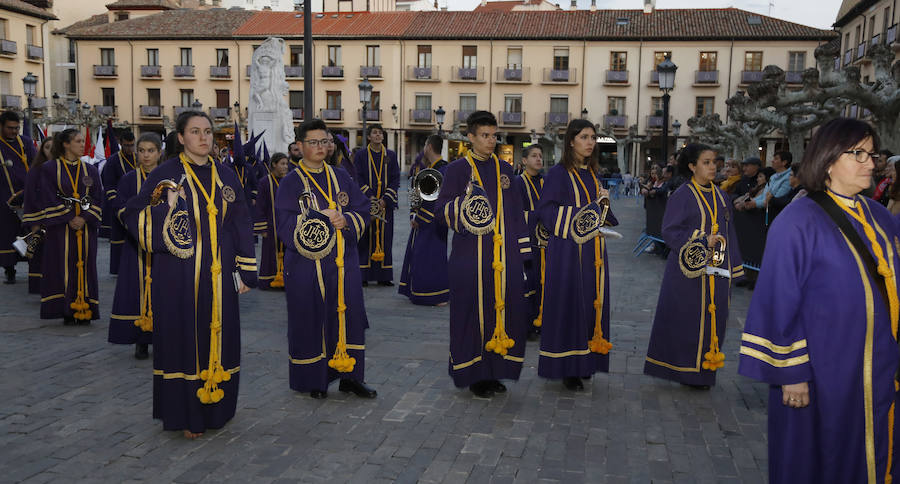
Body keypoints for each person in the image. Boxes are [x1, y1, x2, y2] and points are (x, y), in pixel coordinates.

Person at [739, 118, 900, 483]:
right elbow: (778, 299)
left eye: (871, 154)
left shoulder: (879, 216)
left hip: (880, 365)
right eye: (857, 153)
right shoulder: (798, 220)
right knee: (820, 457)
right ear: (827, 159)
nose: (870, 163)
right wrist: (792, 373)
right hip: (824, 372)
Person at [122, 111, 257, 439]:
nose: (204, 138)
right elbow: (131, 214)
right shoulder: (166, 173)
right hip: (178, 274)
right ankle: (184, 415)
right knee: (184, 339)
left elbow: (240, 221)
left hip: (221, 272)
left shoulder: (227, 175)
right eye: (195, 132)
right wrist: (164, 209)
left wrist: (245, 270)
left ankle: (217, 410)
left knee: (220, 338)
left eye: (208, 131)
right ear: (180, 138)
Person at [275, 118, 376, 399]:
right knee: (312, 318)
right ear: (299, 146)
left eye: (324, 141)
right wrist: (319, 219)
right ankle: (315, 379)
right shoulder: (290, 183)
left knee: (350, 316)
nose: (320, 147)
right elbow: (284, 224)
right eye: (313, 142)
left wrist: (347, 219)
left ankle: (351, 376)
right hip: (308, 266)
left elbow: (363, 209)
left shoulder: (341, 176)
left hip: (345, 263)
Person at [435, 110, 530, 398]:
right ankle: (474, 374)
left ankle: (494, 371)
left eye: (494, 135)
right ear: (470, 137)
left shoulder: (505, 170)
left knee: (502, 311)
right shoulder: (456, 170)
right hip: (470, 257)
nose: (491, 141)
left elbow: (515, 213)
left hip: (504, 256)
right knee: (472, 314)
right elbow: (441, 212)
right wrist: (465, 205)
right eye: (485, 136)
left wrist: (522, 254)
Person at [644, 143, 744, 388]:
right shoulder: (682, 195)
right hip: (686, 271)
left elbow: (729, 232)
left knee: (715, 320)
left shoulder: (722, 196)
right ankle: (684, 371)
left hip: (717, 271)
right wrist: (701, 240)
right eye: (706, 162)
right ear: (692, 166)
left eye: (714, 162)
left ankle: (705, 372)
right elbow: (669, 231)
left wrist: (734, 268)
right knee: (687, 320)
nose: (713, 167)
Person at [537, 119, 619, 390]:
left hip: (594, 252)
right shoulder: (559, 174)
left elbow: (597, 212)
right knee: (571, 304)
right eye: (584, 137)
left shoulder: (592, 173)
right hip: (568, 251)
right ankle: (568, 366)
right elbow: (546, 212)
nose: (590, 142)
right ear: (571, 141)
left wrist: (603, 207)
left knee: (590, 302)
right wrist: (585, 216)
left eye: (593, 137)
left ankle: (586, 362)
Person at [33, 129, 102, 325]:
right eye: (78, 141)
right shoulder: (49, 168)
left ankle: (86, 307)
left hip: (86, 229)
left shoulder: (91, 171)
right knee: (61, 266)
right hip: (60, 229)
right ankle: (66, 310)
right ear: (66, 144)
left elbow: (98, 198)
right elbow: (47, 196)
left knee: (86, 266)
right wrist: (70, 217)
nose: (83, 145)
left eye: (83, 141)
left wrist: (84, 217)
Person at [108, 133, 162, 360]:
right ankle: (140, 339)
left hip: (162, 246)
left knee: (164, 291)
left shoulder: (169, 177)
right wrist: (139, 227)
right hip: (135, 242)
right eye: (142, 150)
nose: (146, 155)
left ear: (159, 152)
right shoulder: (129, 179)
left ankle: (163, 339)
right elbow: (121, 207)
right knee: (135, 290)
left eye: (151, 150)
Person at [398, 134, 449, 306]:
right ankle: (417, 290)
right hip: (421, 221)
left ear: (428, 146)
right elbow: (415, 191)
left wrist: (420, 217)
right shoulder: (425, 167)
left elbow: (438, 199)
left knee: (431, 257)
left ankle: (434, 294)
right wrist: (413, 214)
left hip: (434, 222)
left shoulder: (444, 169)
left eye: (425, 145)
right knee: (419, 255)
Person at [354, 124, 399, 286]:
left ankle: (384, 276)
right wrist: (371, 197)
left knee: (386, 238)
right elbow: (358, 177)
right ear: (369, 137)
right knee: (365, 238)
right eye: (375, 133)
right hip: (367, 204)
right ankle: (364, 275)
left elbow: (395, 178)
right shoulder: (361, 155)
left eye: (380, 133)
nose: (378, 135)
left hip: (385, 205)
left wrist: (385, 199)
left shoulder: (391, 156)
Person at [512, 144, 545, 339]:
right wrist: (540, 216)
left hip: (547, 243)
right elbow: (514, 214)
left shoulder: (546, 182)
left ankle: (543, 322)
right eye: (534, 156)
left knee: (545, 282)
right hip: (526, 242)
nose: (539, 159)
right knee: (529, 283)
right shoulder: (518, 183)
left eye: (540, 156)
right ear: (524, 161)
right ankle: (527, 326)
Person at [0, 110, 35, 284]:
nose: (14, 131)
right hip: (4, 195)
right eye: (10, 128)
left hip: (27, 195)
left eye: (16, 128)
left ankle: (34, 268)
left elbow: (36, 165)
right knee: (7, 234)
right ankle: (9, 269)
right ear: (1, 126)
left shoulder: (26, 143)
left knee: (30, 232)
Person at [20, 137, 53, 294]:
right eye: (47, 147)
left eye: (54, 147)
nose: (50, 151)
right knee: (38, 254)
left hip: (57, 219)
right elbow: (30, 197)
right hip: (39, 220)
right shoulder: (34, 171)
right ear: (42, 150)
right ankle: (38, 287)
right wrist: (34, 223)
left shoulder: (62, 169)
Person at [101, 131, 135, 275]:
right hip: (119, 204)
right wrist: (116, 202)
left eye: (132, 145)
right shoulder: (113, 160)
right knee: (120, 238)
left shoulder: (138, 158)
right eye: (127, 146)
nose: (130, 149)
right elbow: (108, 183)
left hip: (136, 204)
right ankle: (119, 268)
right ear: (121, 143)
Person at [254, 152, 290, 290]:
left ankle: (287, 279)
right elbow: (260, 205)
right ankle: (269, 279)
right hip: (271, 224)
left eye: (286, 164)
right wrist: (262, 227)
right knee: (270, 252)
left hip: (287, 224)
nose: (285, 167)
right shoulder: (265, 182)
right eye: (282, 164)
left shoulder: (289, 181)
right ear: (274, 164)